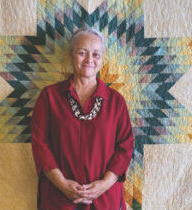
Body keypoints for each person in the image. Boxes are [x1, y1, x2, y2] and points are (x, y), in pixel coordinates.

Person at [31, 27, 134, 210]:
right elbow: (40, 145)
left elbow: (125, 147)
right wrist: (62, 184)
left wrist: (103, 184)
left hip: (105, 200)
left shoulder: (116, 102)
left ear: (102, 59)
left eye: (96, 54)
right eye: (82, 53)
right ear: (71, 55)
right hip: (58, 199)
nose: (89, 60)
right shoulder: (49, 97)